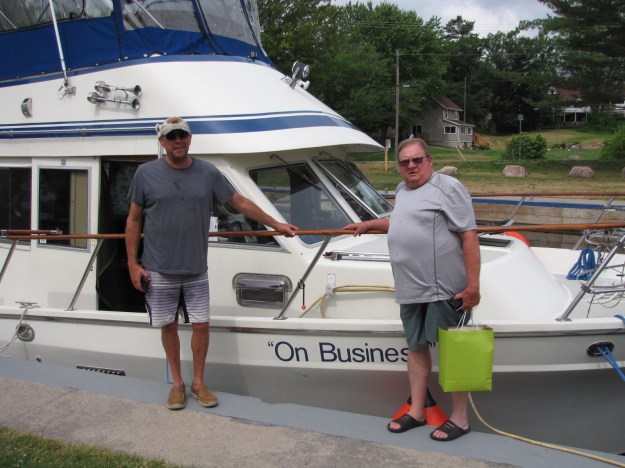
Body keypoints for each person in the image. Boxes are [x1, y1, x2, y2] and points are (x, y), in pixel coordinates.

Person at [125, 117, 298, 410]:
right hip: (158, 267)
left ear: (190, 138)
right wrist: (132, 263)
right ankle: (177, 384)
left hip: (196, 268)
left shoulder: (207, 172)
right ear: (162, 142)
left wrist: (276, 224)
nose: (178, 141)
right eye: (171, 137)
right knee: (168, 325)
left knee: (202, 326)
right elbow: (133, 220)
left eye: (182, 135)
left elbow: (238, 202)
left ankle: (198, 383)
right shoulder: (145, 173)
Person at [344, 138, 480, 441]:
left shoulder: (448, 188)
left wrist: (473, 286)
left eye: (417, 160)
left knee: (453, 351)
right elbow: (401, 221)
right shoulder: (403, 189)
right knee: (416, 347)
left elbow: (469, 235)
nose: (411, 166)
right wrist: (369, 224)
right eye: (405, 162)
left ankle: (460, 419)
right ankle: (417, 411)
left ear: (429, 160)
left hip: (443, 288)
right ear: (399, 166)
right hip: (409, 287)